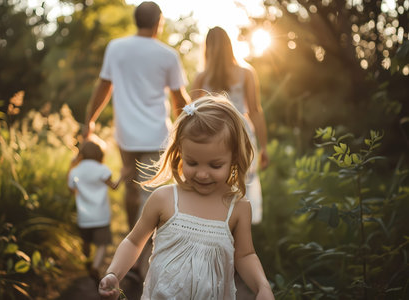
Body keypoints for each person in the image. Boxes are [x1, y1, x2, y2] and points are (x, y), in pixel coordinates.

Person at [98, 95, 274, 300]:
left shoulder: (238, 207)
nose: (202, 173)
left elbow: (245, 255)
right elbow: (134, 242)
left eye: (215, 165)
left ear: (234, 158)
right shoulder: (164, 199)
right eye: (192, 163)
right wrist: (114, 273)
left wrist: (263, 287)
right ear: (180, 153)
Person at [84, 1, 191, 234]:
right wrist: (191, 129)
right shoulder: (168, 55)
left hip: (126, 135)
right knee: (149, 195)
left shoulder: (115, 48)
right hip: (157, 135)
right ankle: (142, 255)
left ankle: (131, 242)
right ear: (158, 22)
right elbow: (179, 100)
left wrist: (89, 121)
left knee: (131, 192)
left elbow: (103, 87)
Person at [191, 26, 269, 224]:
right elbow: (255, 111)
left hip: (211, 133)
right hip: (241, 133)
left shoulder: (202, 77)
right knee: (242, 182)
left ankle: (215, 224)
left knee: (216, 180)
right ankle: (240, 229)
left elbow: (191, 114)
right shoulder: (246, 73)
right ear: (230, 46)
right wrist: (264, 147)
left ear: (207, 48)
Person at [68, 136, 122, 284]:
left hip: (84, 216)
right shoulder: (102, 170)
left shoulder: (75, 171)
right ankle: (96, 266)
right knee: (102, 244)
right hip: (101, 216)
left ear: (82, 154)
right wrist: (123, 175)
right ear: (99, 154)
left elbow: (71, 189)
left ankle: (86, 256)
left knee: (86, 241)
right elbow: (114, 186)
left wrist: (71, 166)